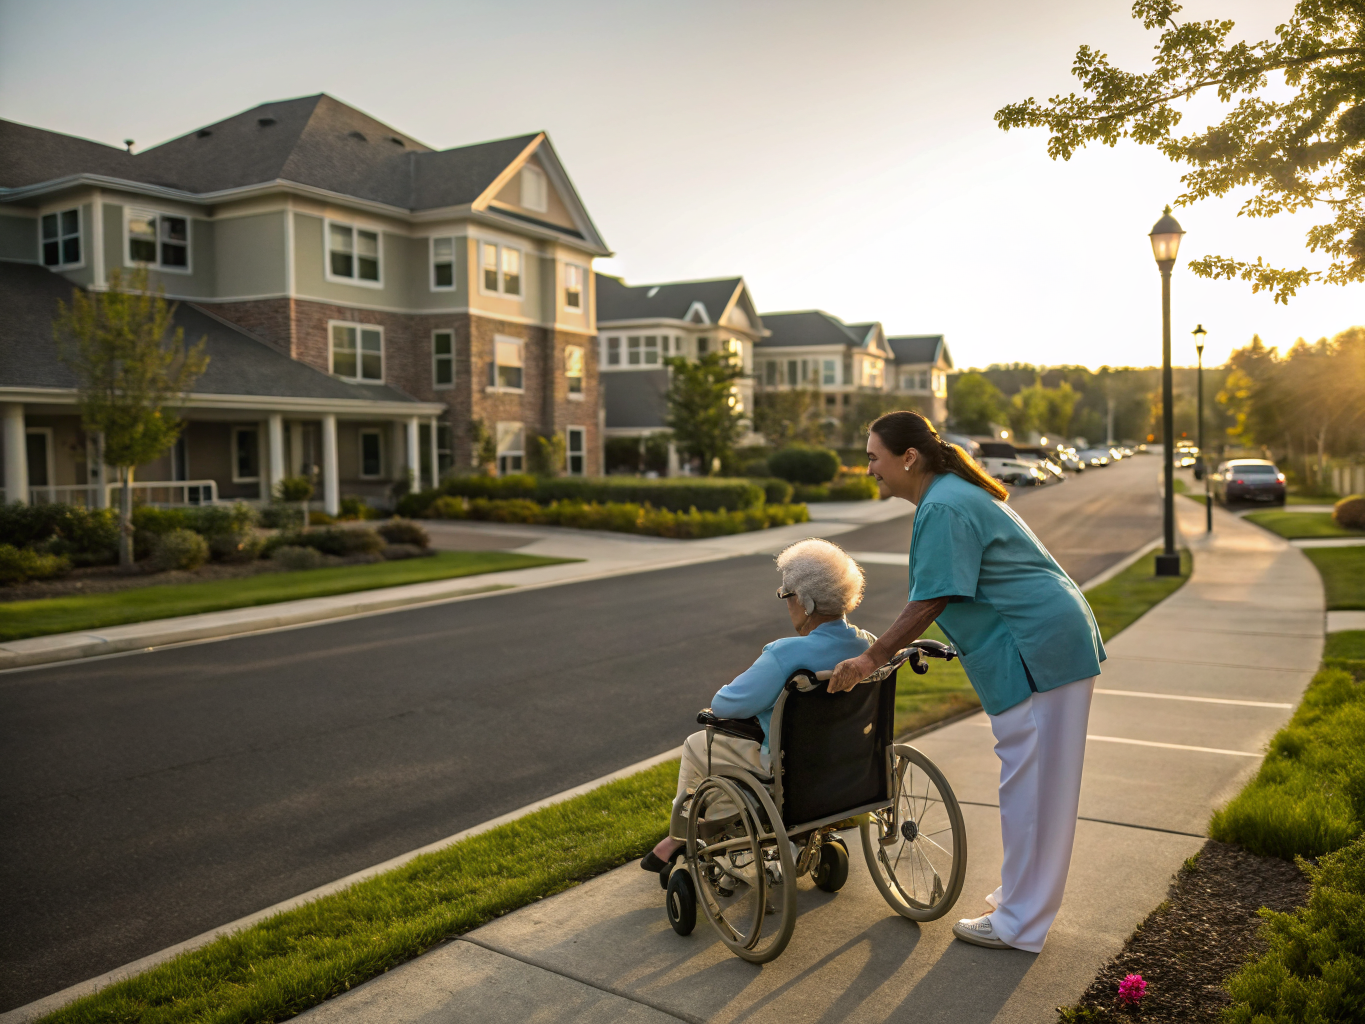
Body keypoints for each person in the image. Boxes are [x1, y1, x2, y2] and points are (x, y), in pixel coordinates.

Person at [829, 411, 1104, 953]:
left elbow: (935, 595)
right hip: (1040, 643)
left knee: (1035, 791)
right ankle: (1017, 903)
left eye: (873, 458)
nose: (870, 469)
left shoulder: (945, 505)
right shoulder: (948, 496)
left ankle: (1020, 924)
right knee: (1028, 785)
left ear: (908, 457)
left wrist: (873, 657)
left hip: (1038, 647)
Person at [641, 538, 873, 879]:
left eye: (787, 595)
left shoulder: (786, 654)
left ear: (806, 601)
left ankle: (686, 833)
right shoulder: (866, 645)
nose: (787, 604)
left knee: (697, 744)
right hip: (850, 762)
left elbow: (725, 704)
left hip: (792, 767)